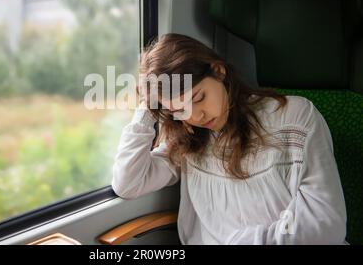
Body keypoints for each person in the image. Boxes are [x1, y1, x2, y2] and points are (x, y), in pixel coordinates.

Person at [111, 33, 347, 245]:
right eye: (179, 109)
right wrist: (148, 106)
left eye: (198, 97)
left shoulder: (294, 117)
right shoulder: (187, 140)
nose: (195, 116)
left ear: (218, 71)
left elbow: (326, 225)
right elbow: (128, 183)